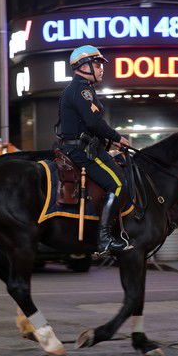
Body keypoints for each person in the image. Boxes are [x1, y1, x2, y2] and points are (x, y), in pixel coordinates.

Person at [57, 45, 132, 256]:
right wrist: (117, 137)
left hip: (85, 148)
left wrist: (112, 142)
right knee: (118, 185)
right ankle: (105, 239)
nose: (101, 68)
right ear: (83, 66)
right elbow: (94, 123)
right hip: (83, 152)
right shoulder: (81, 90)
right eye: (97, 64)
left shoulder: (82, 89)